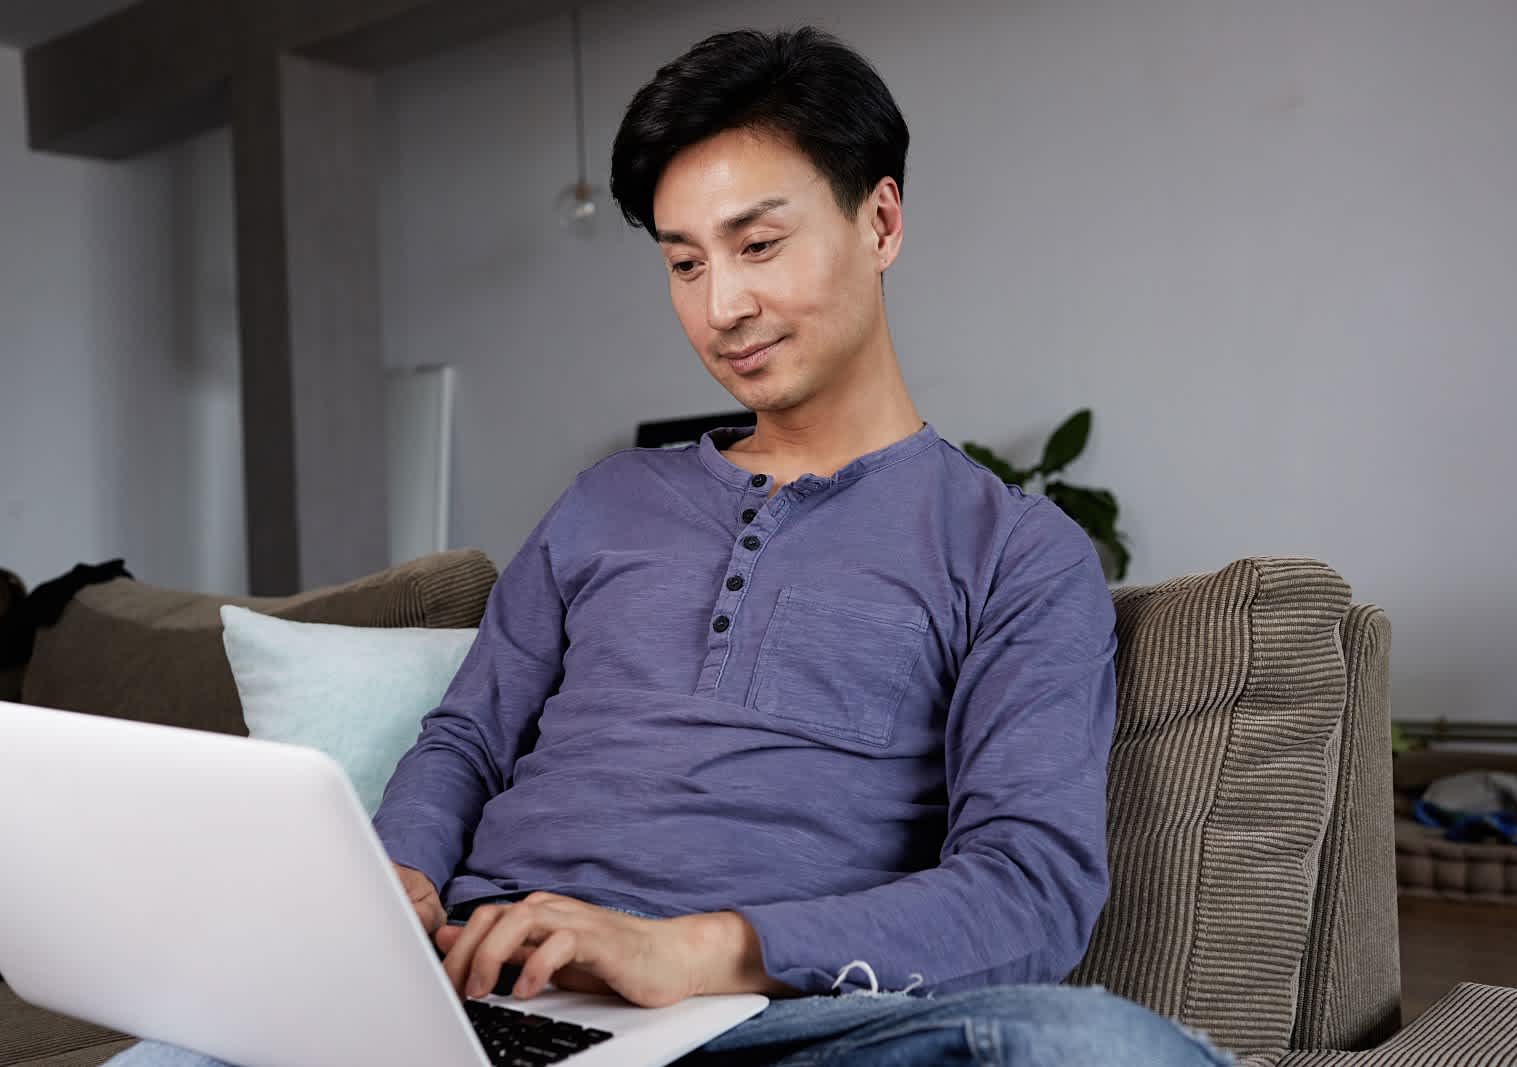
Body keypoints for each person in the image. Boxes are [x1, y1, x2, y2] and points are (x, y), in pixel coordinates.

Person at [111, 27, 1228, 1066]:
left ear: (880, 222)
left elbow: (1027, 892)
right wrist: (393, 877)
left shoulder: (1014, 550)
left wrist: (686, 949)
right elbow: (466, 738)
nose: (722, 305)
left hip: (773, 1023)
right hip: (474, 992)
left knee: (1096, 1047)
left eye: (758, 244)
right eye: (685, 264)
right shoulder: (607, 500)